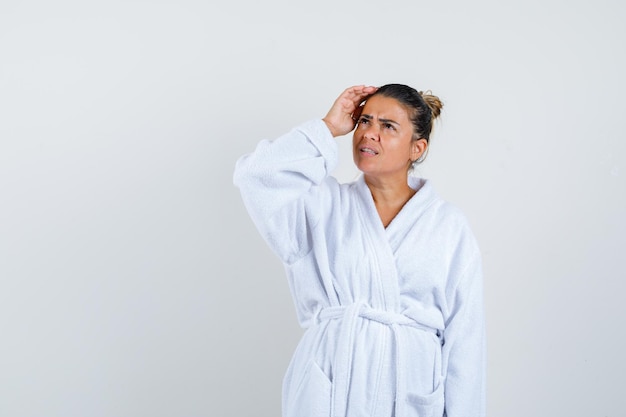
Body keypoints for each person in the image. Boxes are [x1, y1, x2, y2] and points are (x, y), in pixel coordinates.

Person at [233, 84, 485, 417]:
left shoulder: (448, 226)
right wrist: (327, 128)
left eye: (388, 126)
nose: (369, 133)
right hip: (330, 386)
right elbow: (255, 176)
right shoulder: (322, 205)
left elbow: (465, 345)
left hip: (412, 389)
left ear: (416, 147)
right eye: (364, 121)